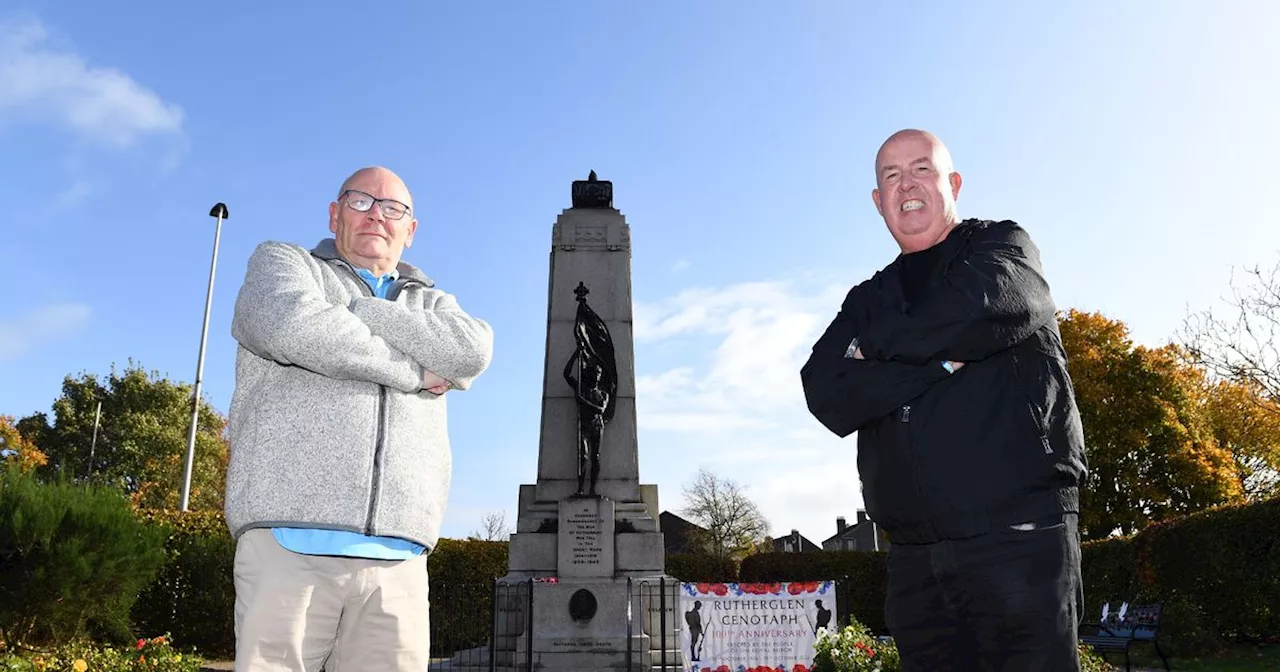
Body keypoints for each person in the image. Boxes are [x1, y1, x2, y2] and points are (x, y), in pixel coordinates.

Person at [800, 130, 1088, 671]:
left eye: (922, 169)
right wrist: (938, 365)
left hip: (1018, 540)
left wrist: (879, 354)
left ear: (952, 183)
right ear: (877, 201)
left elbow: (980, 312)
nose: (906, 184)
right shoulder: (867, 298)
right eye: (891, 176)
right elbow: (825, 390)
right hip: (914, 562)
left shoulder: (1004, 249)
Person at [224, 166, 494, 672]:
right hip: (290, 542)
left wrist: (362, 311)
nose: (377, 215)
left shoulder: (435, 301)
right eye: (361, 201)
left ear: (409, 230)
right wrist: (417, 370)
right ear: (335, 213)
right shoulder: (284, 263)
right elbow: (291, 325)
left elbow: (471, 350)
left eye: (393, 209)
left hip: (400, 559)